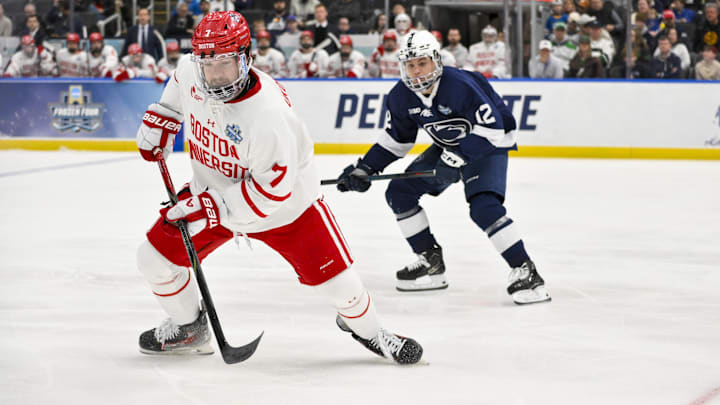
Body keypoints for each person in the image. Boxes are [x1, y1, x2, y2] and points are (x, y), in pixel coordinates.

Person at [133, 11, 424, 364]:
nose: (216, 77)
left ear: (246, 57)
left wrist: (211, 208)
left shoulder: (269, 116)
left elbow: (271, 193)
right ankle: (189, 328)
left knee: (343, 289)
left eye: (227, 64)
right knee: (153, 260)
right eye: (208, 66)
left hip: (288, 210)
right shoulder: (191, 72)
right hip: (211, 197)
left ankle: (370, 331)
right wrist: (164, 116)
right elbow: (179, 85)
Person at [334, 30, 551, 304]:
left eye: (422, 63)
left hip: (487, 144)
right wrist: (364, 168)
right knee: (399, 193)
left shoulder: (459, 84)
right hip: (450, 146)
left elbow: (494, 129)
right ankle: (430, 261)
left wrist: (457, 157)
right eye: (410, 65)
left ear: (436, 60)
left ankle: (527, 271)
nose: (416, 71)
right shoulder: (401, 96)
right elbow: (396, 140)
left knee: (484, 207)